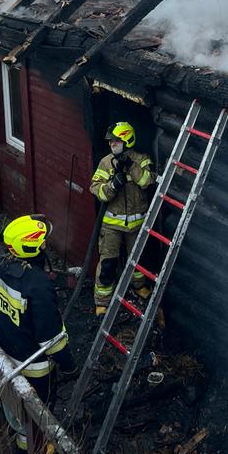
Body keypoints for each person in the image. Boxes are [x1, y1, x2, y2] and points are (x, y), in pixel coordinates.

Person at [0, 215, 77, 452]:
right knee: (37, 414)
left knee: (15, 409)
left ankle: (24, 443)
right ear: (30, 247)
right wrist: (69, 365)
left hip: (6, 354)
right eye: (41, 241)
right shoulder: (37, 285)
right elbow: (51, 339)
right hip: (35, 367)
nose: (45, 244)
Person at [89, 121, 156, 316]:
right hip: (112, 225)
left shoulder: (142, 159)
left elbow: (147, 181)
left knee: (139, 261)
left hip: (137, 224)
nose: (112, 144)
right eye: (111, 141)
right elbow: (96, 189)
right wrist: (112, 186)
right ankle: (102, 302)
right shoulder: (106, 162)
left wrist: (130, 166)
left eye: (116, 141)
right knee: (108, 263)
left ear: (127, 140)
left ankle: (139, 286)